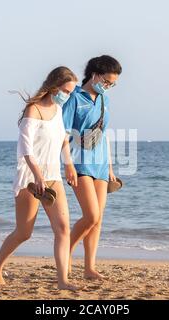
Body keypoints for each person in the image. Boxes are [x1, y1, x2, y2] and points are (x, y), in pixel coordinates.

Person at [0, 66, 79, 290]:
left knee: (63, 228)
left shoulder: (57, 110)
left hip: (53, 176)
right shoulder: (33, 110)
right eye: (65, 91)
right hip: (30, 177)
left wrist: (69, 166)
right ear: (54, 86)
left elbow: (64, 140)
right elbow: (26, 149)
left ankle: (62, 280)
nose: (67, 96)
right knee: (24, 232)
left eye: (70, 92)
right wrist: (37, 176)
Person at [62, 55, 122, 279]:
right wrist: (67, 164)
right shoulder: (74, 98)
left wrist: (109, 167)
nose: (108, 86)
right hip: (79, 162)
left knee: (98, 220)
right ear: (95, 74)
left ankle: (89, 268)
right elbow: (63, 134)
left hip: (100, 165)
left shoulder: (104, 100)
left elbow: (103, 134)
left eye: (112, 84)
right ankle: (65, 252)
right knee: (91, 216)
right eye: (107, 81)